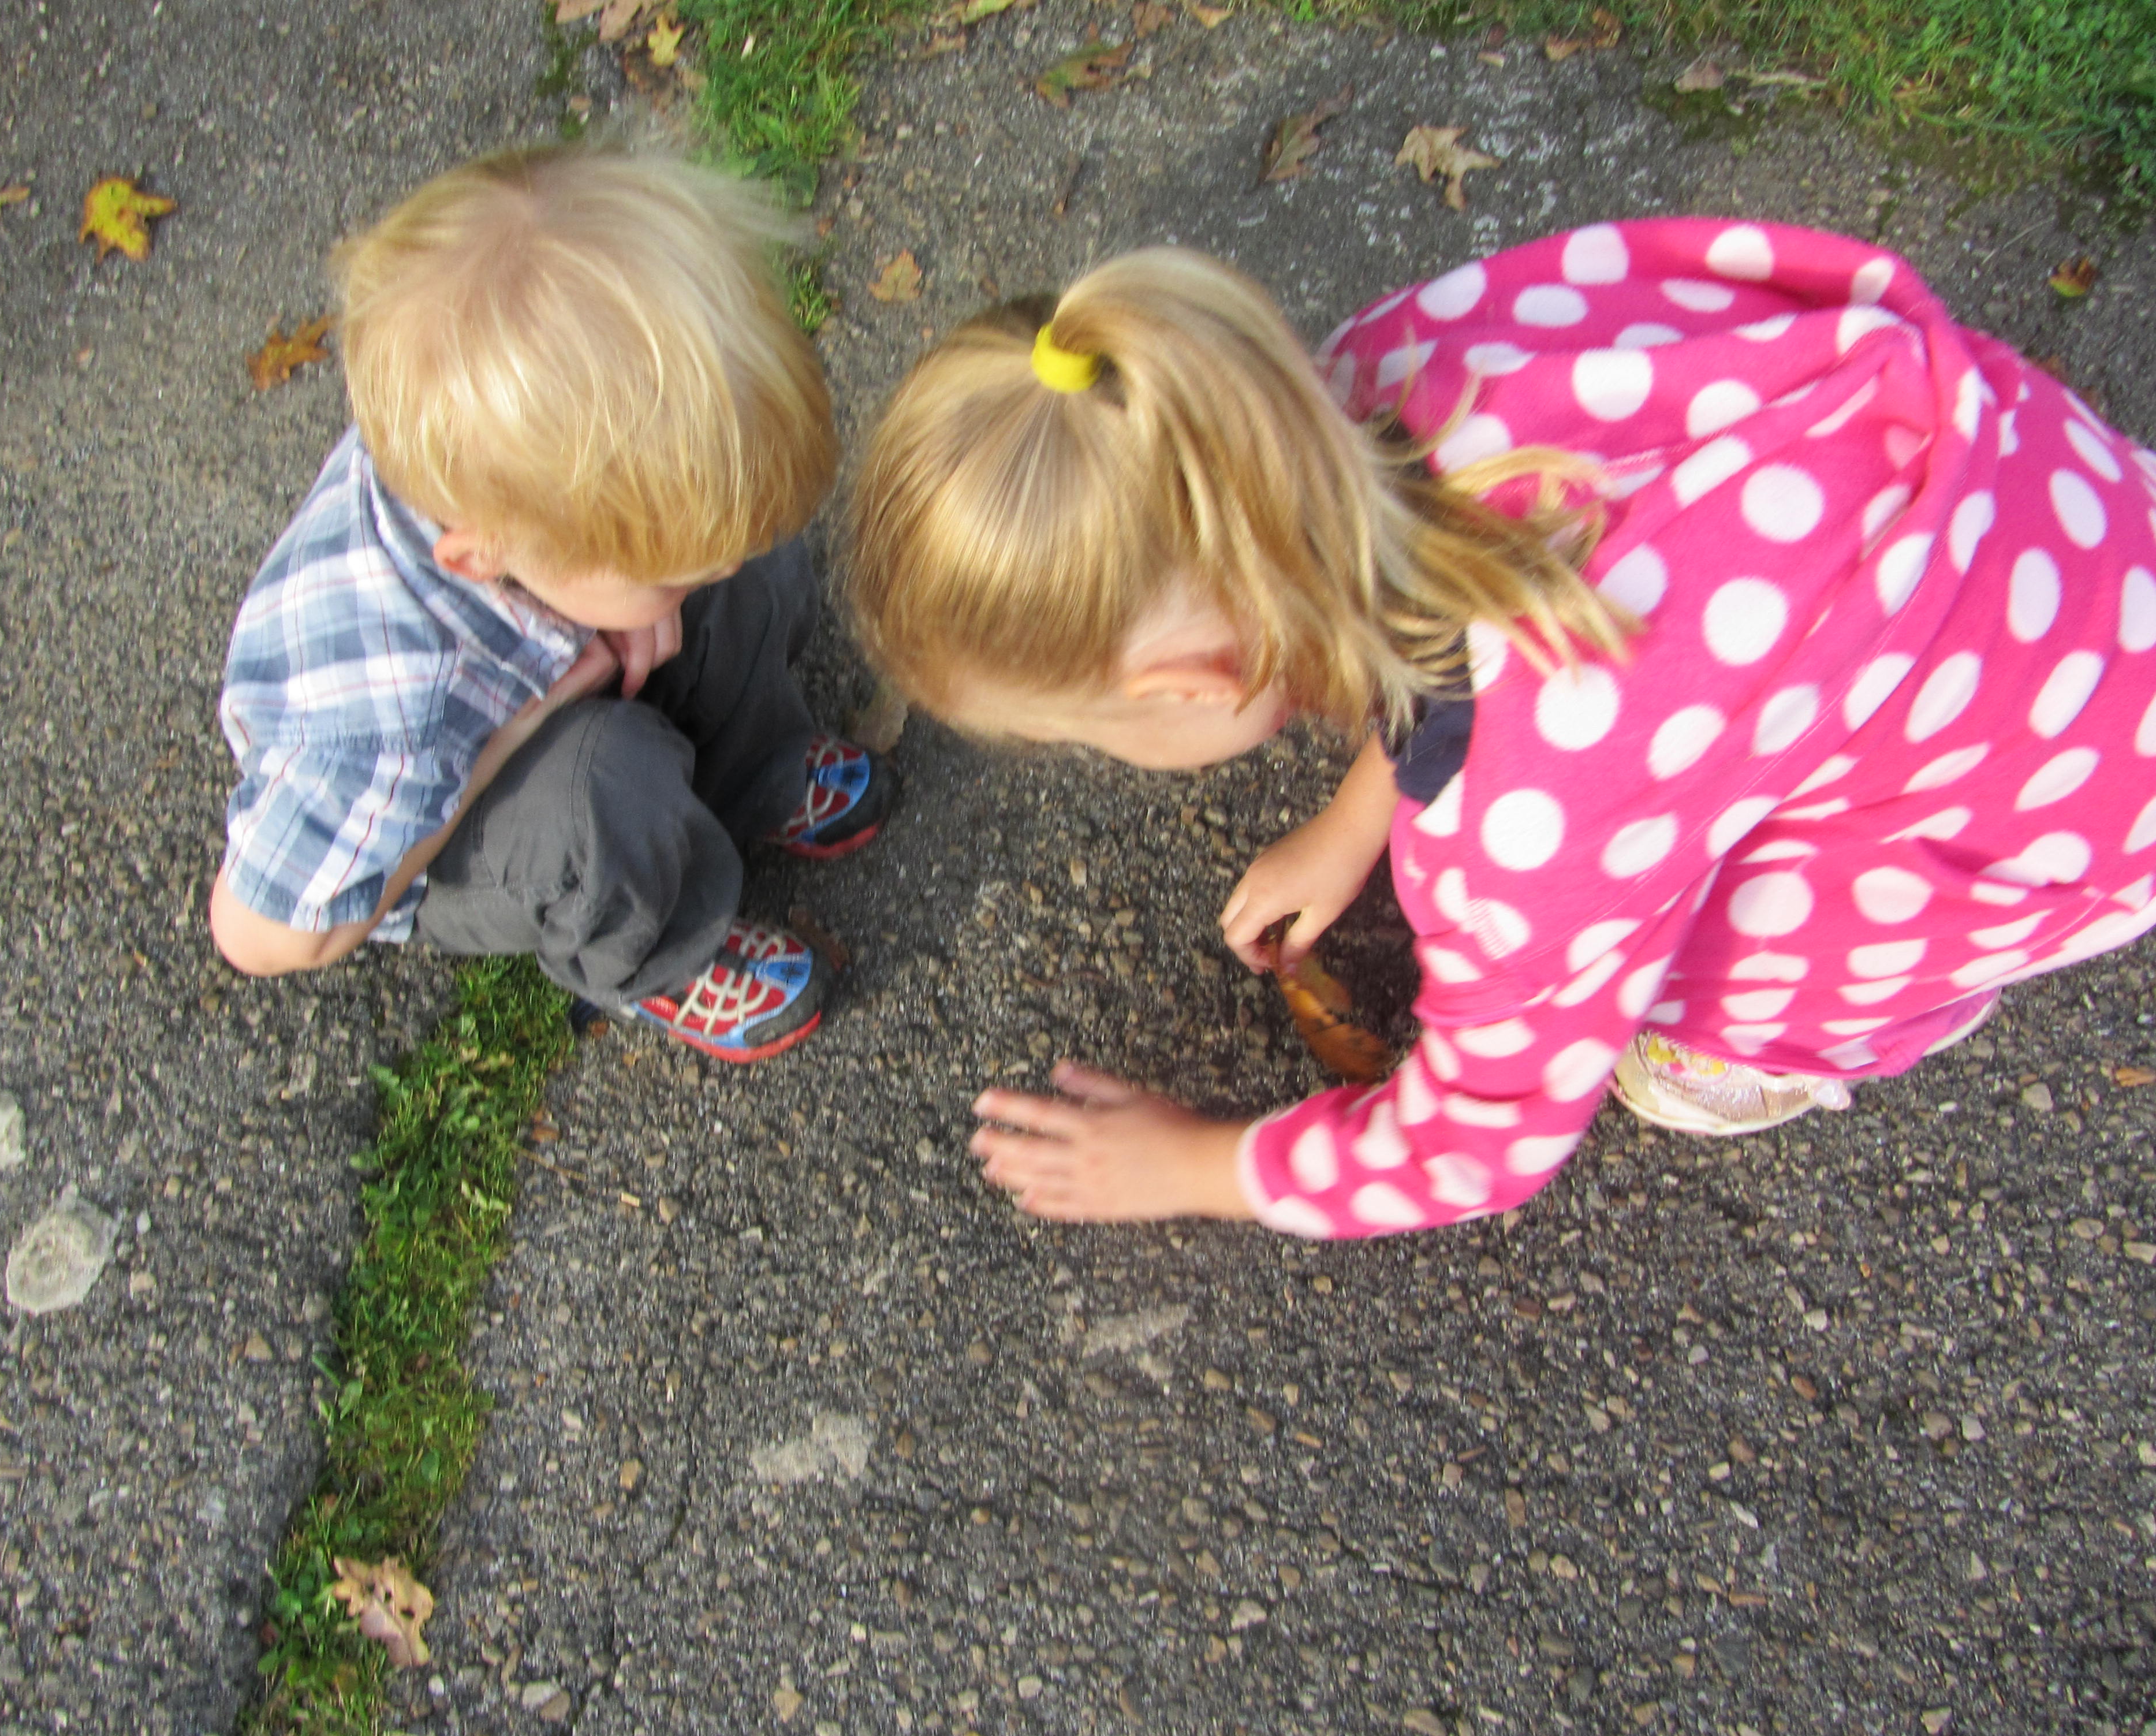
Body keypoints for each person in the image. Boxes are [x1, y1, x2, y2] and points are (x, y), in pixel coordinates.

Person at [846, 218, 2155, 1232]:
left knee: (1704, 981)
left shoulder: (1527, 836)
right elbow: (1434, 608)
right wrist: (1352, 824)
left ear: (1191, 684)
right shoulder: (1373, 381)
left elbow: (1478, 1140)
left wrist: (1196, 1167)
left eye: (1083, 735)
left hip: (2068, 797)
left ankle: (1807, 1042)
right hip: (2054, 519)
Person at [208, 146, 896, 1062]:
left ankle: (755, 772)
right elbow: (258, 934)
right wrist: (509, 731)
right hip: (449, 800)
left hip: (535, 629)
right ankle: (662, 952)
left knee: (750, 578)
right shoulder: (385, 724)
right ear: (487, 554)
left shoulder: (505, 462)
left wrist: (658, 584)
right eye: (666, 567)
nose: (712, 565)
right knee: (598, 792)